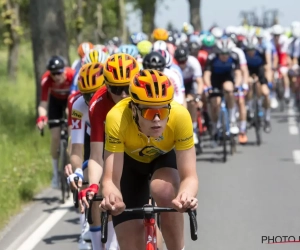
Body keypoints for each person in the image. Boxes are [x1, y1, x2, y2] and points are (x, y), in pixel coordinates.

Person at [99, 69, 198, 250]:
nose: (158, 119)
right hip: (130, 165)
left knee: (164, 191)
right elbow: (110, 181)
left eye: (163, 110)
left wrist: (186, 194)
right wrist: (112, 197)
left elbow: (189, 177)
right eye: (150, 113)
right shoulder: (117, 118)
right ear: (134, 109)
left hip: (163, 159)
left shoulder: (181, 116)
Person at [78, 53, 140, 250]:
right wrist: (94, 186)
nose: (123, 95)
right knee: (108, 193)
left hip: (144, 151)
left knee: (150, 209)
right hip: (112, 150)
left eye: (127, 88)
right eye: (115, 89)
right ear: (105, 85)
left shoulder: (144, 97)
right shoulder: (97, 103)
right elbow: (97, 155)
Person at [36, 56, 76, 188]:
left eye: (59, 72)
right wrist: (42, 117)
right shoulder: (46, 79)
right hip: (55, 103)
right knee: (54, 136)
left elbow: (76, 95)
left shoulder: (72, 75)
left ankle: (73, 171)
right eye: (53, 73)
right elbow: (43, 103)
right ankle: (55, 173)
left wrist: (70, 111)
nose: (56, 76)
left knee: (71, 137)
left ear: (64, 70)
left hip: (70, 101)